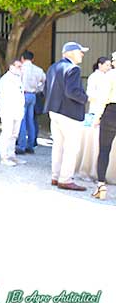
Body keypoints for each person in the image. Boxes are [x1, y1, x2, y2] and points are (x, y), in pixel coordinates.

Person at [44, 42, 89, 191]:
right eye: (80, 51)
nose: (82, 54)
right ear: (70, 53)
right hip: (70, 114)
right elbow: (72, 92)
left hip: (54, 111)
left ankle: (56, 176)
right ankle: (66, 179)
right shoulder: (73, 69)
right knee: (71, 148)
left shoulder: (53, 67)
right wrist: (85, 98)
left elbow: (46, 89)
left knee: (58, 146)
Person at [90, 52, 116, 200]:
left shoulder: (110, 75)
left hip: (111, 112)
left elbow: (102, 98)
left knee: (104, 149)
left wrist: (97, 116)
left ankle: (101, 185)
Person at [15, 50, 45, 154]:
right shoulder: (39, 70)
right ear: (33, 59)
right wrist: (38, 89)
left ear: (22, 58)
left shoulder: (20, 69)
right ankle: (31, 145)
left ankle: (21, 145)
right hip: (33, 95)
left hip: (22, 94)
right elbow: (44, 82)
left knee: (21, 120)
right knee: (30, 120)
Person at [0, 59, 25, 166]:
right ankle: (4, 157)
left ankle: (11, 155)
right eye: (18, 67)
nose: (20, 69)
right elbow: (9, 96)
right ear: (11, 66)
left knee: (14, 135)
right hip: (8, 110)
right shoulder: (6, 79)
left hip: (17, 111)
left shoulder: (18, 79)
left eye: (21, 67)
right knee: (7, 134)